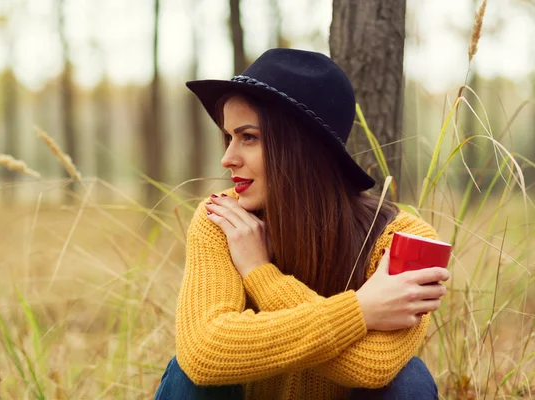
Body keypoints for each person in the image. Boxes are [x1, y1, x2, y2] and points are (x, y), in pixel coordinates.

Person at [154, 48, 450, 399]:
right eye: (229, 137)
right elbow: (204, 352)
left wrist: (261, 275)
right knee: (187, 375)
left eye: (248, 137)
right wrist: (360, 310)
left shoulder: (402, 239)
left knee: (408, 380)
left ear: (301, 146)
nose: (227, 158)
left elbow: (372, 366)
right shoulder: (221, 220)